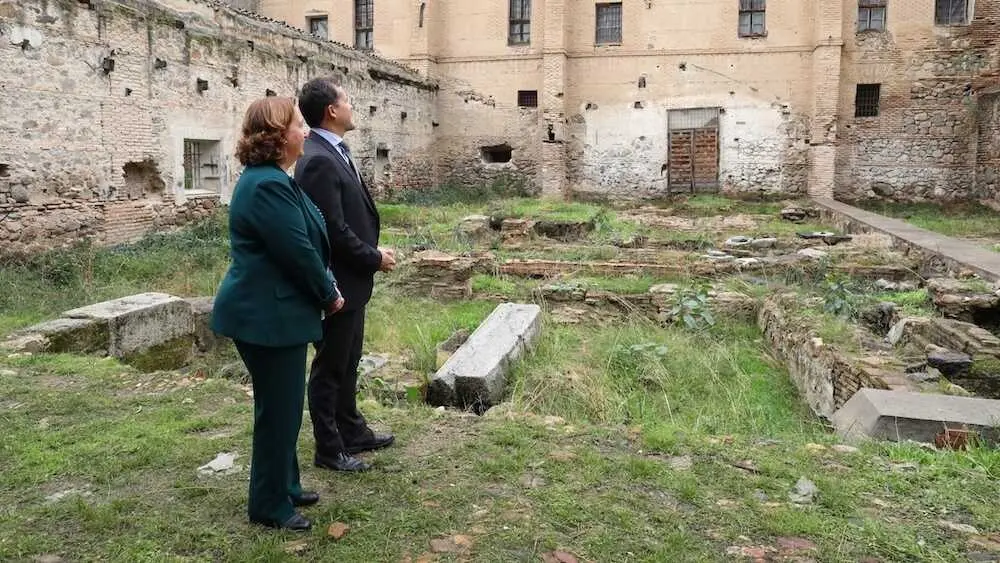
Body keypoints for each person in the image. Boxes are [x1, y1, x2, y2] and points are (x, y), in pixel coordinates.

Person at [211, 96, 345, 532]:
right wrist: (328, 294)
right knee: (279, 413)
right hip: (267, 317)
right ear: (276, 136)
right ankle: (269, 504)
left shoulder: (272, 179)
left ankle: (284, 485)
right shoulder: (267, 184)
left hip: (273, 313)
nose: (305, 132)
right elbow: (297, 252)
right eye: (298, 125)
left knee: (282, 408)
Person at [294, 77, 396, 473]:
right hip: (338, 281)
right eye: (347, 100)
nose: (353, 106)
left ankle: (351, 428)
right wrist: (373, 257)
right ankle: (329, 447)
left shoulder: (333, 150)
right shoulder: (318, 157)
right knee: (330, 366)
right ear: (332, 111)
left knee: (349, 359)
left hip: (354, 281)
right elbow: (332, 230)